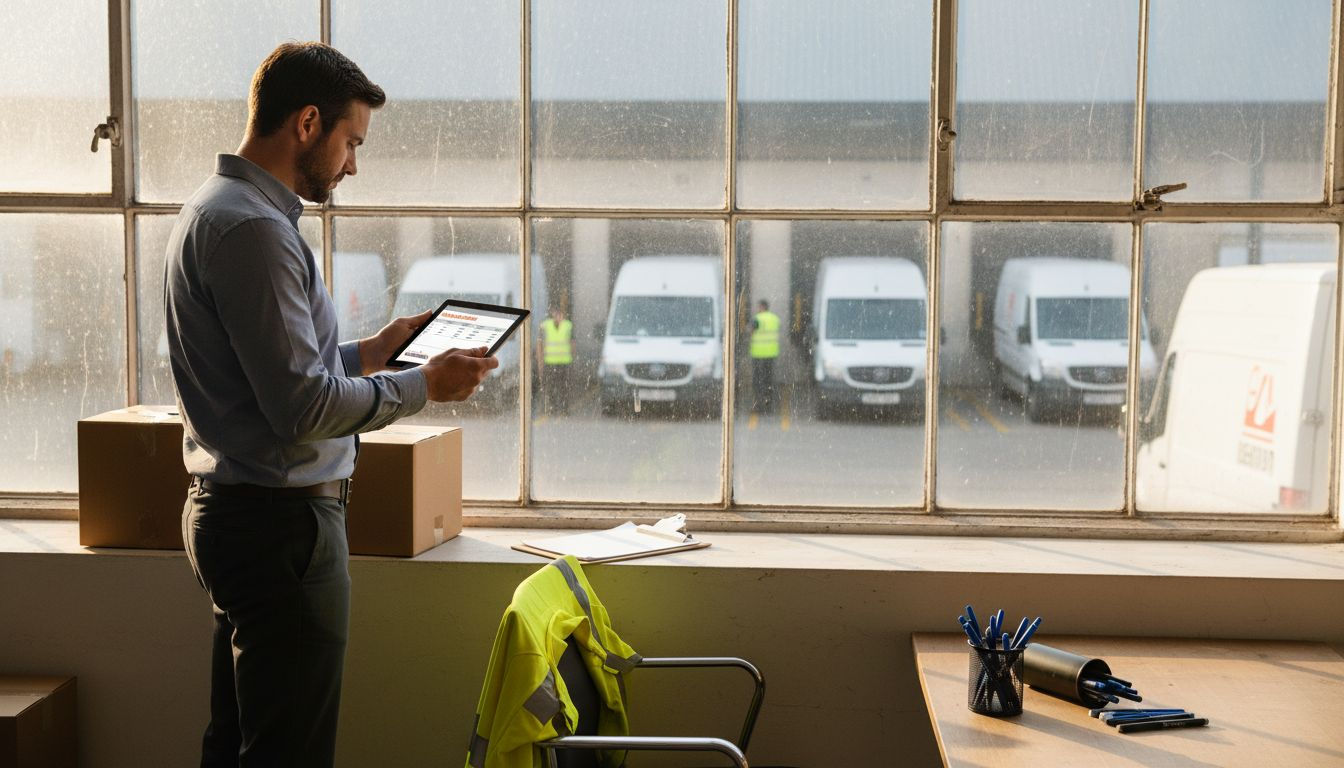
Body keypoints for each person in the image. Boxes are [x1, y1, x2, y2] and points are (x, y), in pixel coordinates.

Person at [163, 42, 498, 768]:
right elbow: (303, 409)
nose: (352, 166)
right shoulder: (255, 230)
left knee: (240, 742)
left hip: (243, 517)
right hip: (279, 529)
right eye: (352, 143)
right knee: (289, 752)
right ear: (308, 123)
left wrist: (373, 352)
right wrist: (425, 385)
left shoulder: (215, 208)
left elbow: (275, 378)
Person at [535, 305, 575, 414]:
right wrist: (540, 359)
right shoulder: (545, 326)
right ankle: (552, 408)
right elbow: (539, 343)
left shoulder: (568, 326)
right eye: (556, 314)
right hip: (550, 362)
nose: (558, 317)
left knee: (564, 387)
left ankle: (564, 408)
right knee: (550, 386)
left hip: (564, 362)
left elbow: (572, 343)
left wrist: (573, 358)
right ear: (552, 314)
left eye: (560, 314)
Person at [748, 299, 781, 414]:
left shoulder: (757, 319)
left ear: (762, 307)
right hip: (771, 354)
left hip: (758, 354)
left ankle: (758, 406)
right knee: (768, 380)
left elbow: (751, 331)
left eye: (759, 307)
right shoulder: (774, 318)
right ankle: (769, 406)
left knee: (757, 381)